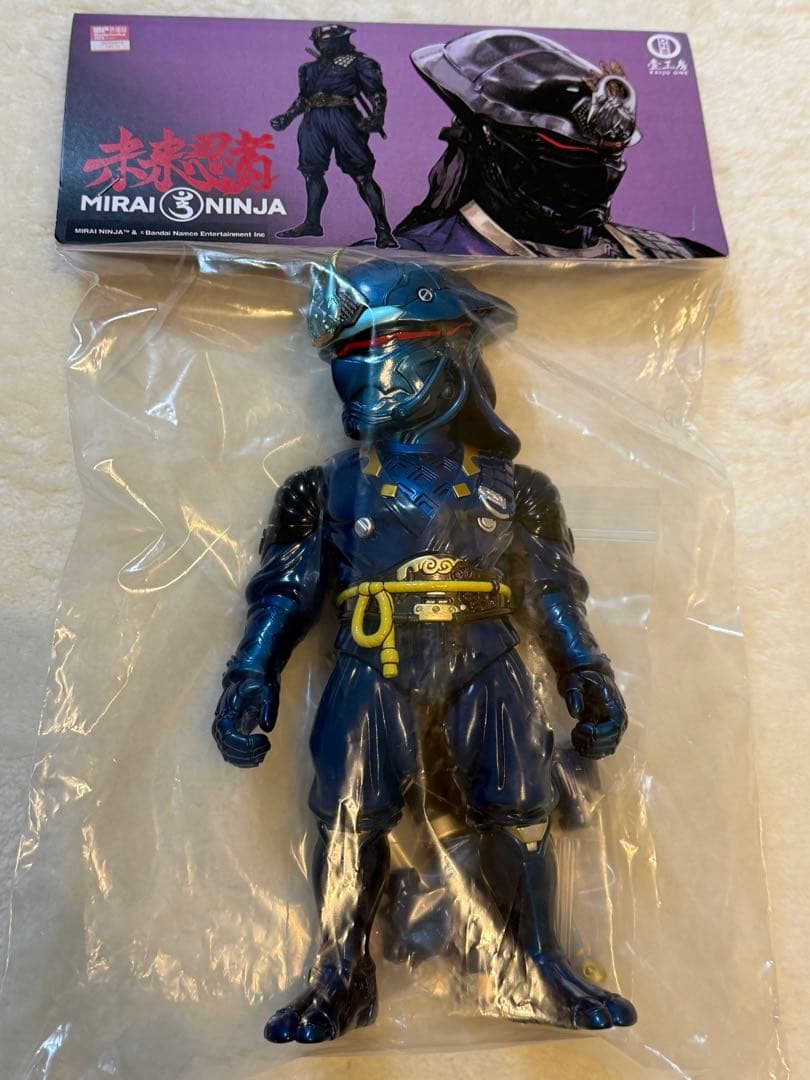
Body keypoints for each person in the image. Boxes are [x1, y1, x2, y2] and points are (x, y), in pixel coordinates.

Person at [212, 258, 636, 1043]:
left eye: (387, 353)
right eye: (350, 359)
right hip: (374, 657)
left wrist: (583, 666)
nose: (364, 379)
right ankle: (341, 973)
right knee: (348, 812)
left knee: (520, 806)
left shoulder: (519, 488)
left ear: (450, 356)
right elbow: (287, 589)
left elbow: (552, 588)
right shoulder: (324, 488)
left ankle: (536, 961)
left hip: (489, 654)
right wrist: (252, 671)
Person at [395, 30, 720, 258]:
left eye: (612, 152)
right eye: (568, 149)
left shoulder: (671, 255)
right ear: (488, 138)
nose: (601, 172)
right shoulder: (414, 257)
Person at [271, 24, 397, 247]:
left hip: (344, 118)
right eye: (320, 42)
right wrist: (287, 117)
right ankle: (312, 223)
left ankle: (383, 230)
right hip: (313, 120)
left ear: (342, 40)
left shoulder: (360, 63)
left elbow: (376, 93)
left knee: (362, 174)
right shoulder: (309, 69)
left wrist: (377, 117)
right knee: (312, 172)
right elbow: (304, 98)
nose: (323, 46)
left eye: (328, 41)